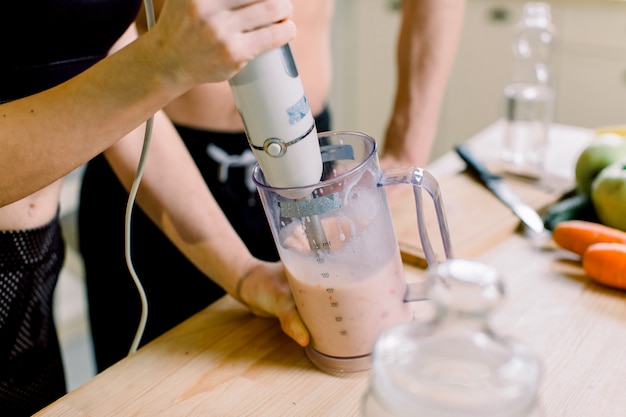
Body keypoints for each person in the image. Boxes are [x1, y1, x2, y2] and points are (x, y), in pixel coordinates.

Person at [79, 0, 466, 373]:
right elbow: (97, 44)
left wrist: (407, 145)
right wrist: (242, 273)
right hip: (153, 166)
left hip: (310, 155)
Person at [0, 1, 307, 415]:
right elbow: (138, 71)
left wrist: (243, 273)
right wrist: (163, 62)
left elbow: (103, 64)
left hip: (29, 273)